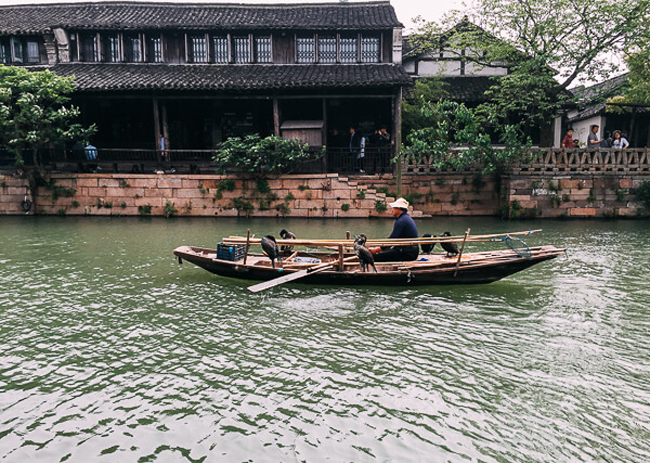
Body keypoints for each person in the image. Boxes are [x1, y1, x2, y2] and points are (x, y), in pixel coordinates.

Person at [368, 197, 419, 262]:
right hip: (411, 251)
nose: (392, 209)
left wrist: (376, 250)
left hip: (408, 253)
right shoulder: (406, 218)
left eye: (394, 208)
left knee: (377, 257)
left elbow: (392, 240)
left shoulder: (401, 221)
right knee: (386, 253)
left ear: (399, 209)